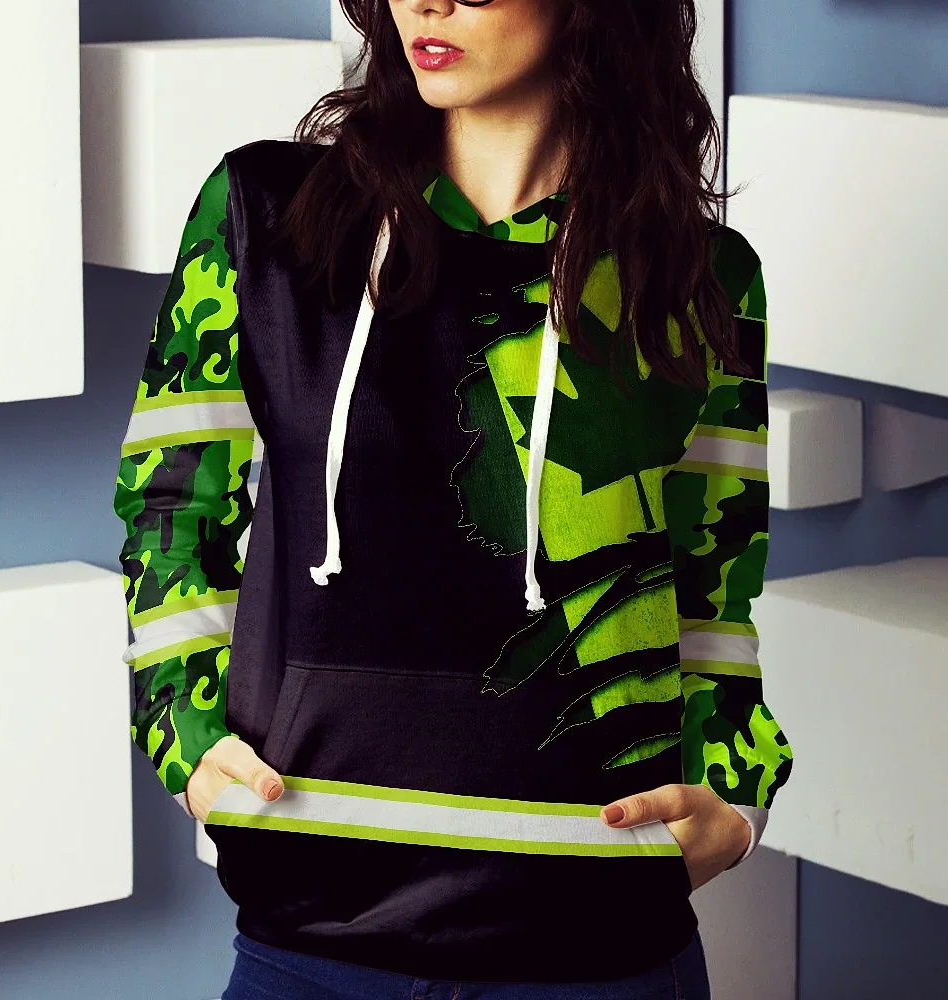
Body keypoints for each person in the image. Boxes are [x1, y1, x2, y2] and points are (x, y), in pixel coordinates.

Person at [113, 0, 794, 997]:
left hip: (604, 946)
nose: (427, 4)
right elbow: (170, 498)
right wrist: (184, 735)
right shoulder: (265, 214)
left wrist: (737, 797)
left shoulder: (700, 278)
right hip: (313, 937)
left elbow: (712, 584)